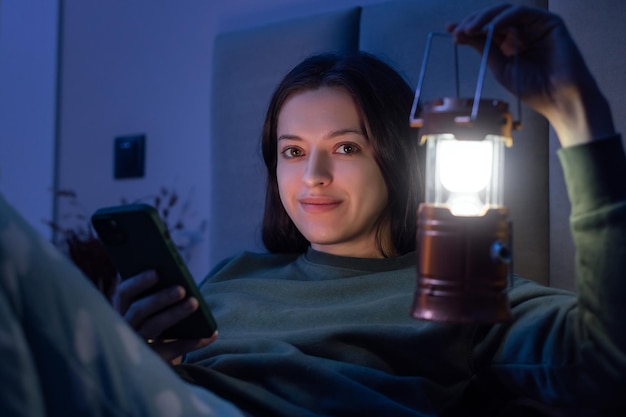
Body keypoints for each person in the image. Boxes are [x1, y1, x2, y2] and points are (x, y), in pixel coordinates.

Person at [1, 3, 624, 416]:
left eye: (346, 147)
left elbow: (606, 364)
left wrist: (578, 114)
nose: (313, 177)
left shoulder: (464, 289)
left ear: (401, 157)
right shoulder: (232, 275)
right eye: (292, 151)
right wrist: (134, 349)